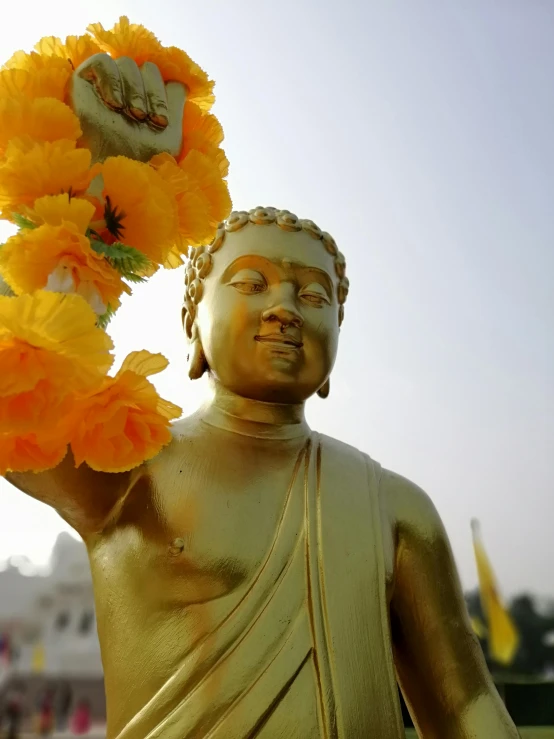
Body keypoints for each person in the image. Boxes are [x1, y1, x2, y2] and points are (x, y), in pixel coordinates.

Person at [4, 54, 520, 738]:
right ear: (193, 325)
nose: (285, 309)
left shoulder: (391, 507)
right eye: (251, 283)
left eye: (314, 295)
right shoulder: (128, 464)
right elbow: (17, 392)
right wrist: (94, 206)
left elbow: (461, 705)